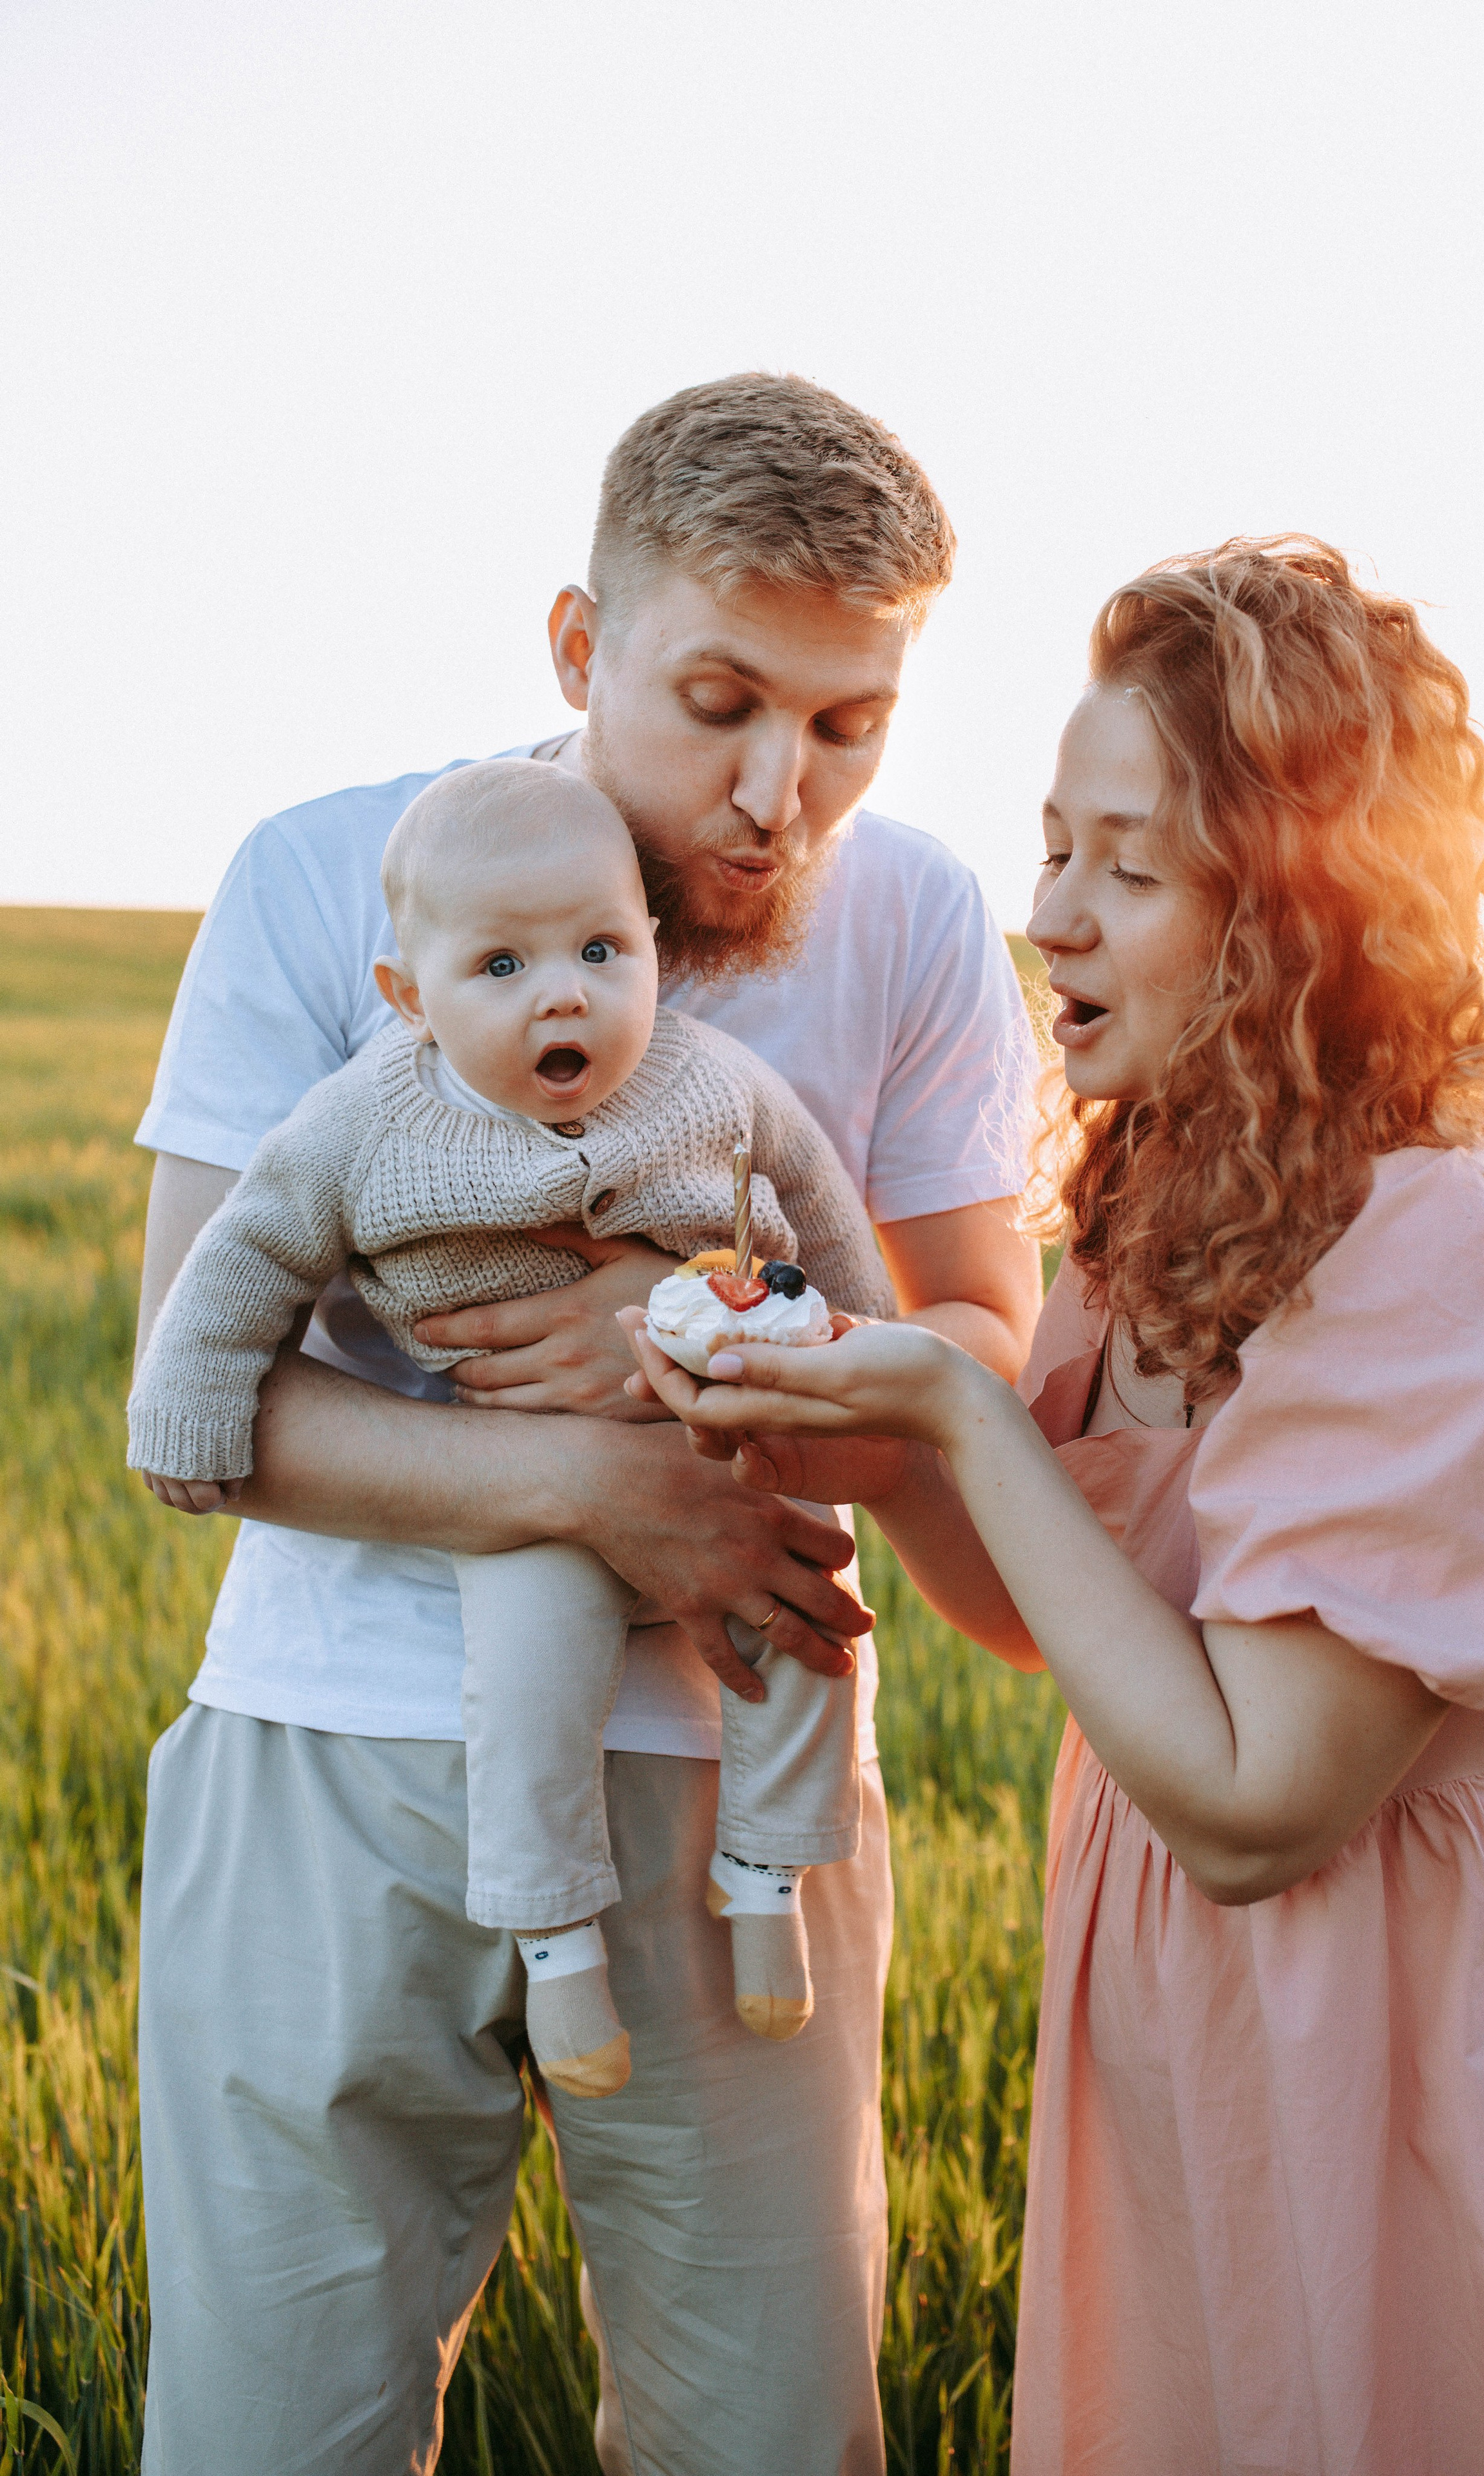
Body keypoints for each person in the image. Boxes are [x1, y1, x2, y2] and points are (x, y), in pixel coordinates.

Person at [626, 539, 1484, 2476]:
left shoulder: (1465, 1244)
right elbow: (1059, 1621)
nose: (1047, 917)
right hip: (1199, 2047)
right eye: (1051, 847)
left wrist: (953, 1399)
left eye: (1130, 868)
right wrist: (863, 1442)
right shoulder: (1176, 1188)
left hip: (1423, 2060)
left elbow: (1259, 1806)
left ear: (1294, 920)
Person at [133, 373, 1044, 2476]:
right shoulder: (322, 877)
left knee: (768, 2443)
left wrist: (729, 1320)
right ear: (577, 643)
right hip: (327, 1763)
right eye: (721, 703)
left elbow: (980, 1343)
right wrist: (600, 1487)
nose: (780, 791)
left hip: (746, 1804)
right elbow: (200, 1386)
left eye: (849, 723)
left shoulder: (914, 916)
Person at [128, 756, 895, 2098]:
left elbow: (817, 1205)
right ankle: (556, 1945)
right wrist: (185, 1405)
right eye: (500, 967)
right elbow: (249, 1251)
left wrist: (865, 1341)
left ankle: (767, 1873)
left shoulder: (709, 1083)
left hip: (728, 1436)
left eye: (601, 951)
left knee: (812, 1623)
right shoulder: (366, 1121)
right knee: (531, 1673)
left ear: (652, 947)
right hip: (528, 1477)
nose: (564, 993)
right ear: (408, 997)